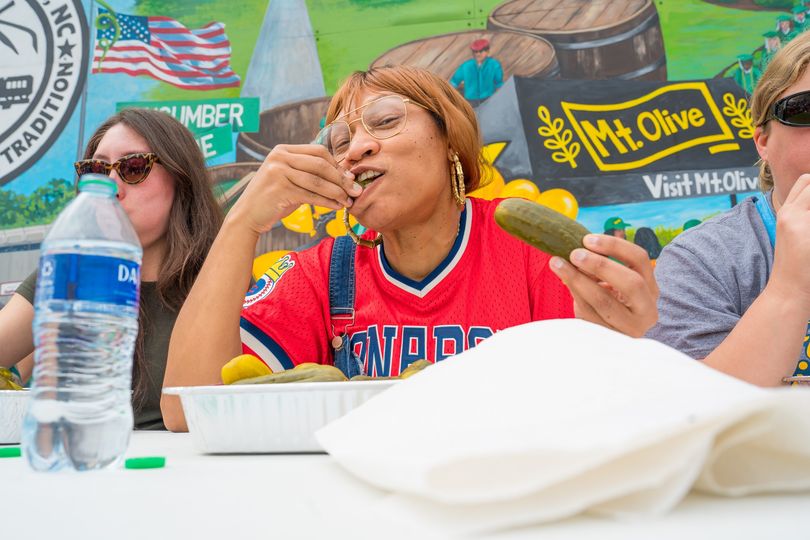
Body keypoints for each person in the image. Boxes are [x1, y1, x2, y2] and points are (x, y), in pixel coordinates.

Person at [162, 65, 659, 431]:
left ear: (449, 140)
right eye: (340, 142)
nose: (356, 149)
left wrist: (634, 343)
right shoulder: (322, 272)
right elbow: (184, 410)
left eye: (383, 121)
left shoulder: (529, 247)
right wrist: (243, 223)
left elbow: (607, 403)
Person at [0, 108, 223, 429]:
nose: (111, 186)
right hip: (80, 460)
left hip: (184, 470)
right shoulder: (71, 269)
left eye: (133, 168)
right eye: (96, 170)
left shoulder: (223, 274)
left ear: (180, 178)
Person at [647, 32, 810, 386]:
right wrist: (790, 288)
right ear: (763, 142)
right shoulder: (701, 260)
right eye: (805, 110)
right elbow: (694, 416)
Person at [450, 38, 504, 107]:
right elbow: (454, 82)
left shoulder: (494, 65)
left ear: (487, 51)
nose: (478, 54)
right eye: (475, 51)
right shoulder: (466, 66)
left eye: (481, 51)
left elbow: (499, 84)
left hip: (489, 99)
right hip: (470, 101)